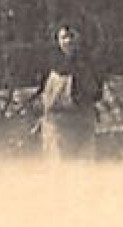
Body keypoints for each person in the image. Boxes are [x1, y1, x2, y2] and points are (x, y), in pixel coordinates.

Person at [34, 23, 103, 159]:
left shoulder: (87, 64)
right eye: (64, 37)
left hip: (81, 123)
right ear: (58, 40)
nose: (68, 41)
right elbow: (44, 93)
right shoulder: (51, 65)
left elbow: (96, 92)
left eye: (72, 36)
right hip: (57, 125)